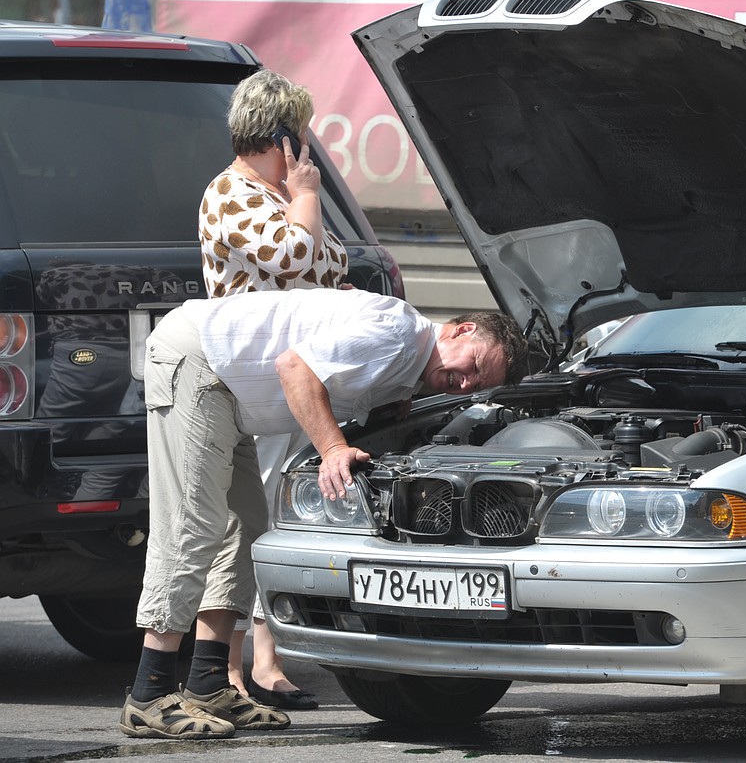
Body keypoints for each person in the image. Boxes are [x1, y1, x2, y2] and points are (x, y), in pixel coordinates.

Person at [118, 289, 528, 739]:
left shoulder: (408, 364)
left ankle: (208, 684)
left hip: (228, 389)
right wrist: (332, 448)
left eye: (478, 385)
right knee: (191, 526)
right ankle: (149, 694)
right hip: (199, 360)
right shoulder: (399, 334)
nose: (467, 384)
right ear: (462, 330)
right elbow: (294, 367)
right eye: (473, 366)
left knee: (244, 531)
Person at [198, 68, 348, 711]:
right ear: (283, 136)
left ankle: (267, 660)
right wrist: (306, 195)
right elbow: (295, 257)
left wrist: (301, 201)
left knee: (279, 512)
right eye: (302, 132)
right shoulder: (231, 193)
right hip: (254, 381)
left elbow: (333, 262)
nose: (308, 145)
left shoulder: (279, 191)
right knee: (248, 518)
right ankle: (228, 669)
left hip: (294, 377)